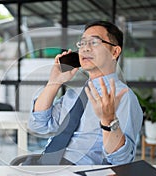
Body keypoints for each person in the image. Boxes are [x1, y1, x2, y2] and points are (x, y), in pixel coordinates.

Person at [27, 20, 143, 165]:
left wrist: (108, 121)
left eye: (94, 42)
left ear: (115, 52)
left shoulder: (124, 97)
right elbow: (38, 125)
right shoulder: (72, 95)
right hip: (46, 165)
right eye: (82, 43)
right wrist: (54, 82)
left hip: (82, 175)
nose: (85, 49)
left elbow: (122, 160)